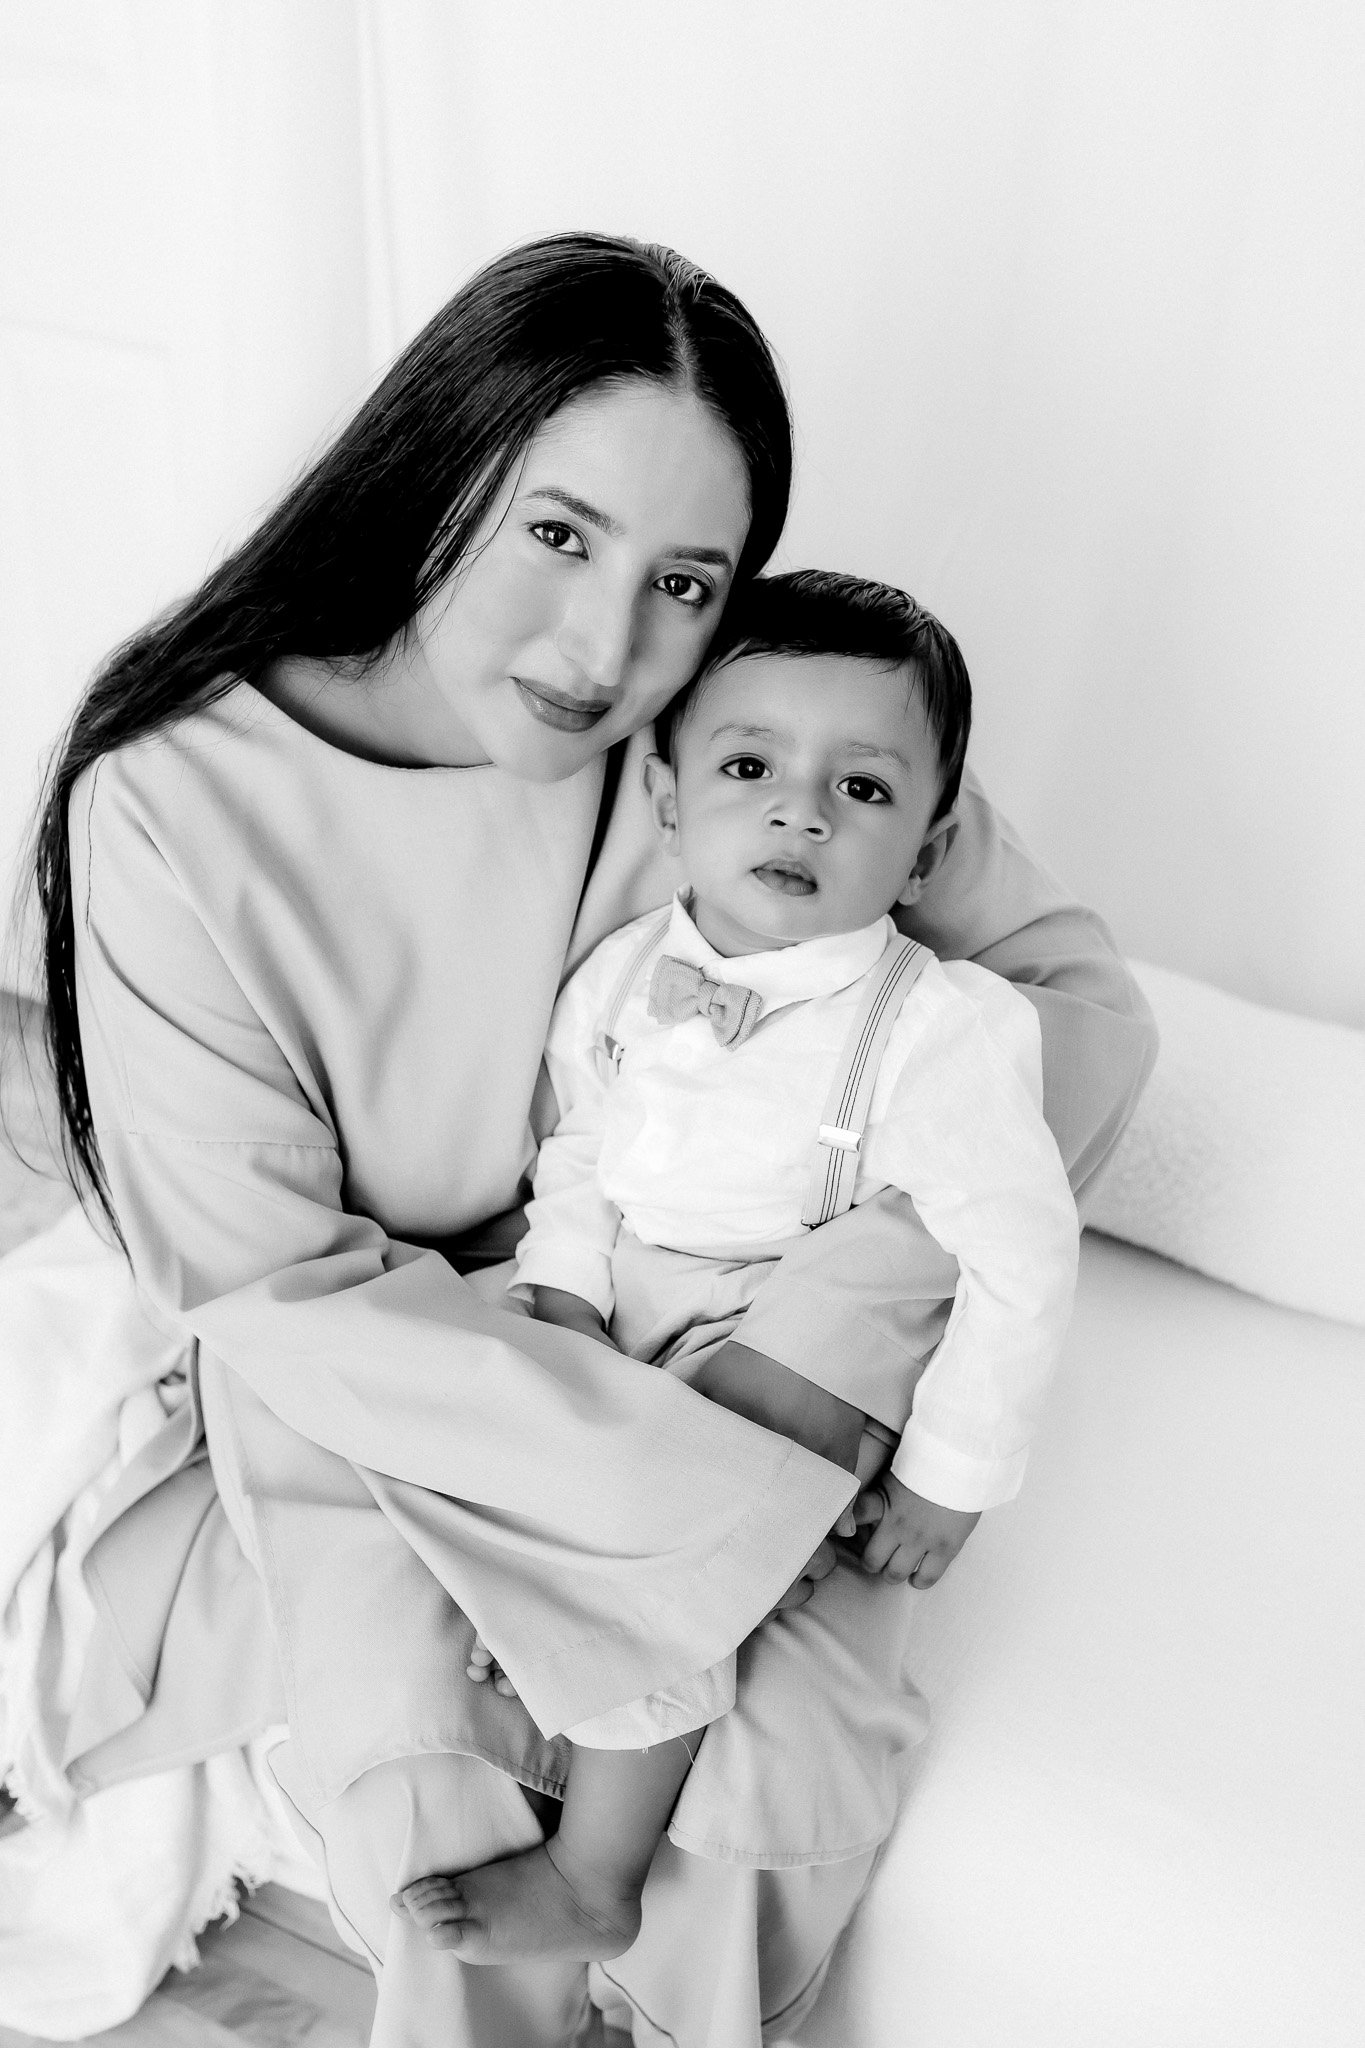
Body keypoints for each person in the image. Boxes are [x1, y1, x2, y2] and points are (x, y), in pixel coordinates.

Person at [8, 231, 1156, 2046]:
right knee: (437, 1768)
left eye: (683, 581)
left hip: (692, 1322)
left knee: (765, 1761)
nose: (604, 648)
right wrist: (660, 1479)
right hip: (380, 1371)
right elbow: (271, 1283)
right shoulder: (169, 801)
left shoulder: (733, 730)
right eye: (558, 534)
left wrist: (814, 1350)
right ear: (434, 472)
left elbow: (1071, 1012)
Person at [395, 569, 1080, 1966]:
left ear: (928, 848)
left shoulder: (937, 1031)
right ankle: (552, 1607)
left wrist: (953, 1474)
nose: (800, 813)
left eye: (862, 789)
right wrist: (566, 1287)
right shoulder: (619, 978)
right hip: (634, 1294)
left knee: (689, 1530)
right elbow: (581, 1150)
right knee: (473, 1418)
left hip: (786, 1317)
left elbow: (1022, 1254)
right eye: (750, 766)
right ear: (666, 800)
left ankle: (596, 1869)